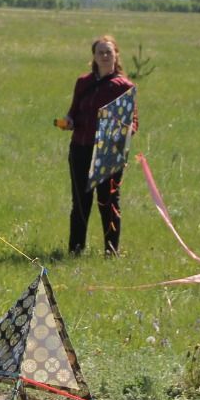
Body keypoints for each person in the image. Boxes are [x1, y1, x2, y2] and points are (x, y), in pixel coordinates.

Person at [59, 35, 137, 255]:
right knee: (80, 204)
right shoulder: (83, 82)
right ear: (93, 56)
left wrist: (121, 134)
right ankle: (75, 250)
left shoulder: (125, 86)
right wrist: (68, 122)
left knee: (108, 202)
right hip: (80, 148)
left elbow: (134, 122)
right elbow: (73, 111)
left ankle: (111, 251)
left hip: (109, 153)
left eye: (108, 52)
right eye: (100, 52)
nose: (104, 56)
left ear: (116, 55)